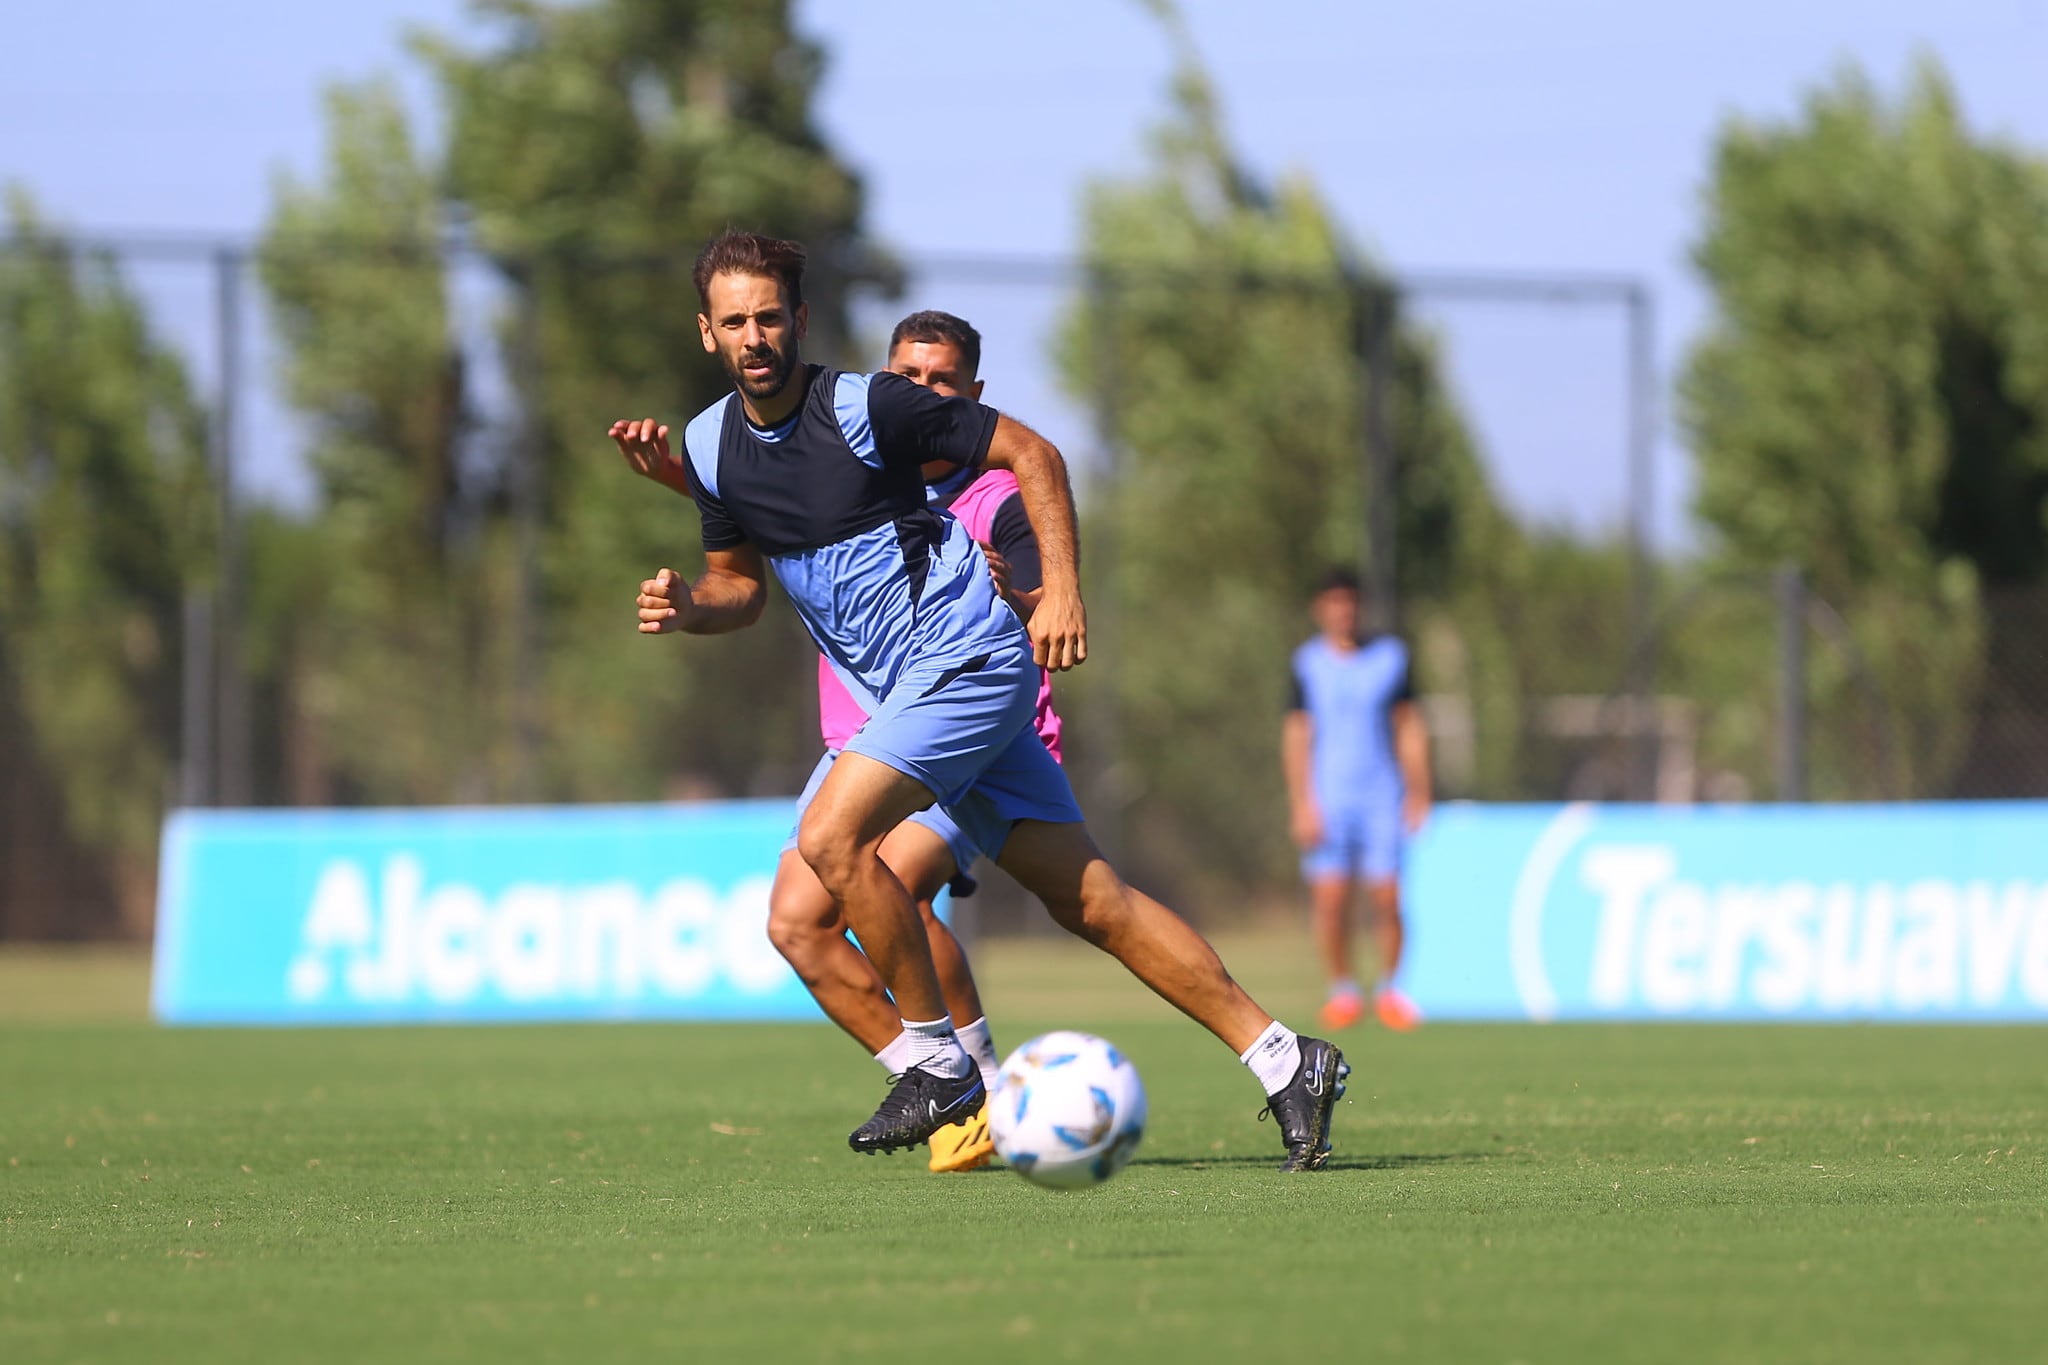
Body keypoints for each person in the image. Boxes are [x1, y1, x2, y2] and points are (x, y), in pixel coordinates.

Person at [612, 229, 1346, 1172]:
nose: (753, 336)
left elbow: (1034, 455)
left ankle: (945, 1070)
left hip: (967, 663)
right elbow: (740, 587)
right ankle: (1289, 1059)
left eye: (768, 317)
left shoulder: (873, 404)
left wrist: (1065, 589)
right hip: (907, 703)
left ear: (798, 320)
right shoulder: (711, 445)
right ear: (706, 333)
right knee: (1054, 904)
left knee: (836, 841)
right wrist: (688, 608)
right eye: (733, 322)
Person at [618, 308, 1060, 1174]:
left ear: (971, 396)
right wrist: (677, 475)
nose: (920, 393)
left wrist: (1027, 592)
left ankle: (972, 1080)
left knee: (884, 877)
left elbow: (1044, 594)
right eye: (907, 376)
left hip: (972, 724)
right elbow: (779, 511)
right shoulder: (870, 471)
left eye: (941, 382)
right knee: (806, 919)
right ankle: (963, 1087)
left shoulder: (989, 496)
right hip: (873, 731)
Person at [1282, 567, 1433, 1032]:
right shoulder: (1307, 663)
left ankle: (1392, 990)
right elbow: (1297, 733)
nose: (1343, 611)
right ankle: (1343, 990)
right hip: (1329, 795)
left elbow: (1408, 725)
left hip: (1381, 795)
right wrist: (1302, 802)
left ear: (1360, 607)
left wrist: (1420, 791)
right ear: (1320, 608)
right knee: (1331, 899)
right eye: (1333, 602)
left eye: (1350, 602)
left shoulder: (1391, 658)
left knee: (1387, 897)